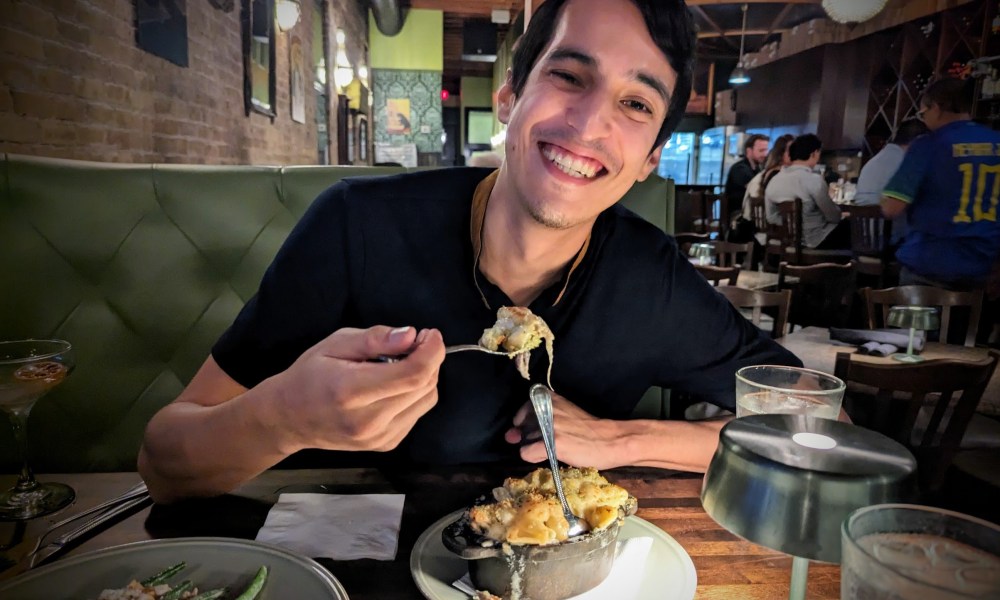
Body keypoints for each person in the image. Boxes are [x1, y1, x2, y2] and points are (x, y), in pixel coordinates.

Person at [138, 0, 801, 503]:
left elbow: (813, 422)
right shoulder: (357, 226)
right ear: (508, 97)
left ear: (650, 160)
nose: (591, 123)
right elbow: (162, 463)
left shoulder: (649, 279)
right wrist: (282, 416)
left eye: (634, 103)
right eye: (569, 76)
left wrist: (623, 439)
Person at [881, 77, 1000, 291]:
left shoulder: (929, 145)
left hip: (930, 262)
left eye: (923, 113)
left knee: (912, 324)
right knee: (968, 325)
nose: (924, 120)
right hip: (983, 267)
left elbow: (892, 207)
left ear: (936, 108)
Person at [765, 134, 850, 249]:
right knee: (850, 226)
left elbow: (771, 217)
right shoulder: (814, 180)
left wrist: (791, 226)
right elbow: (833, 217)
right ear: (814, 153)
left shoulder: (774, 180)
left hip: (786, 243)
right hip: (814, 241)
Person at [855, 119, 929, 245]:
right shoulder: (905, 163)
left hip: (863, 240)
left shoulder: (875, 160)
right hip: (889, 242)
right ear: (918, 142)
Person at [724, 133, 769, 209]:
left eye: (766, 150)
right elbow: (755, 189)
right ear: (749, 151)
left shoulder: (758, 169)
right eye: (761, 150)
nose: (765, 154)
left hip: (752, 212)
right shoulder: (739, 169)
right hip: (738, 214)